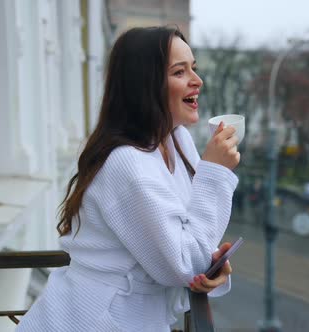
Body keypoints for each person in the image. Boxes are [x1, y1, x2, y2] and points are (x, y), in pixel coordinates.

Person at [16, 26, 240, 331]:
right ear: (145, 84)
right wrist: (216, 172)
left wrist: (209, 273)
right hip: (91, 320)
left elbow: (189, 247)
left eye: (194, 69)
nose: (197, 81)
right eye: (179, 72)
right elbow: (184, 262)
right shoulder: (126, 162)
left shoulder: (178, 141)